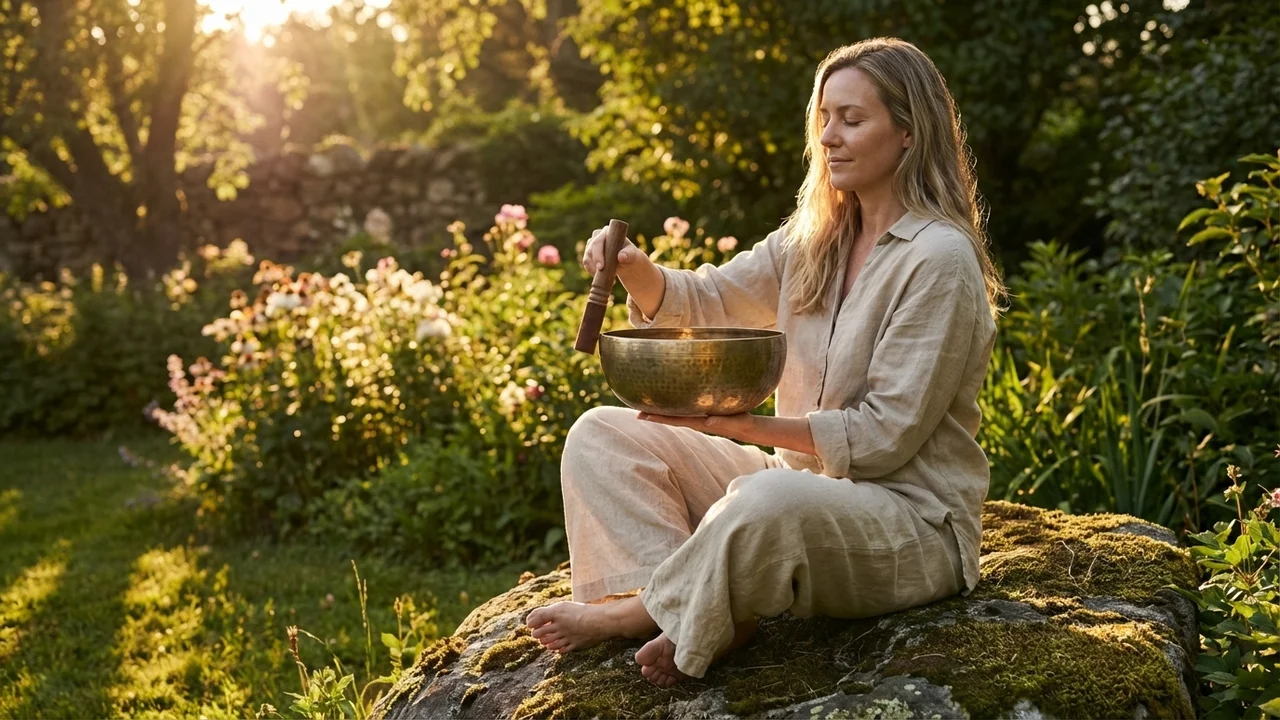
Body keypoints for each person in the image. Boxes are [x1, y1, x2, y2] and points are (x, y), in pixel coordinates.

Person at [525, 36, 1003, 688]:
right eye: (825, 119)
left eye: (853, 120)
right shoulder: (813, 240)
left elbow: (885, 437)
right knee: (600, 436)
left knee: (766, 496)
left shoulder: (938, 258)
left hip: (909, 524)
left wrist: (738, 426)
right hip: (795, 487)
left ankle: (645, 610)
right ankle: (708, 610)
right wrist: (635, 270)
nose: (830, 137)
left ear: (909, 134)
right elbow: (712, 298)